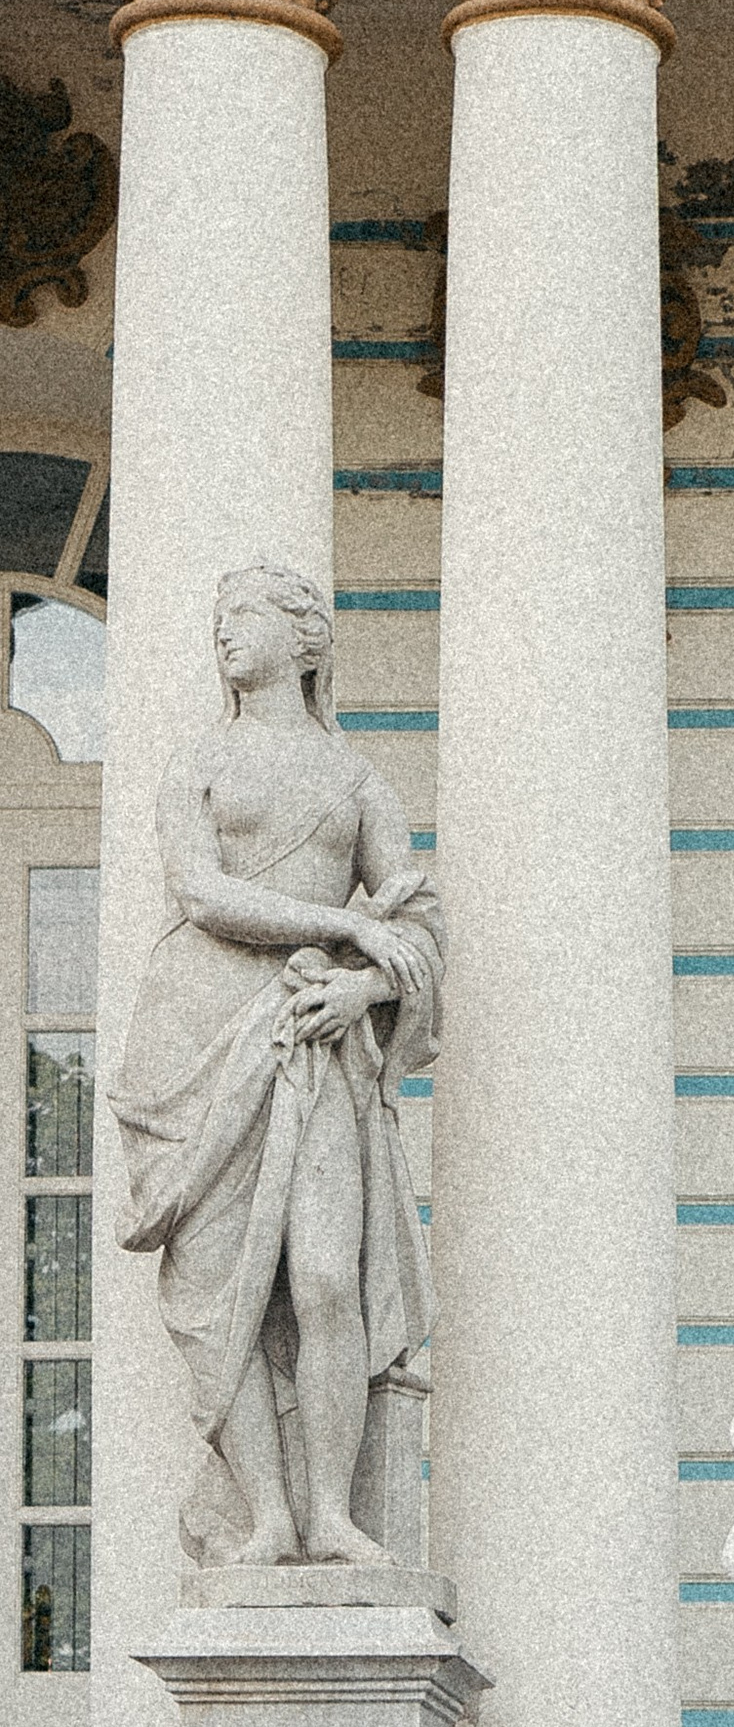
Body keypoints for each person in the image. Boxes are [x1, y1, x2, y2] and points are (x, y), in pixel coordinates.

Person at [110, 563, 441, 1568]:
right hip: (199, 1032)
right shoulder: (197, 766)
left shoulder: (355, 780)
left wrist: (365, 991)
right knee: (223, 1295)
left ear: (305, 642)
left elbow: (420, 920)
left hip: (316, 1037)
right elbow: (202, 894)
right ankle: (267, 1516)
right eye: (218, 620)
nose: (225, 636)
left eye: (243, 617)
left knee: (328, 1278)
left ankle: (334, 1512)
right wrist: (344, 924)